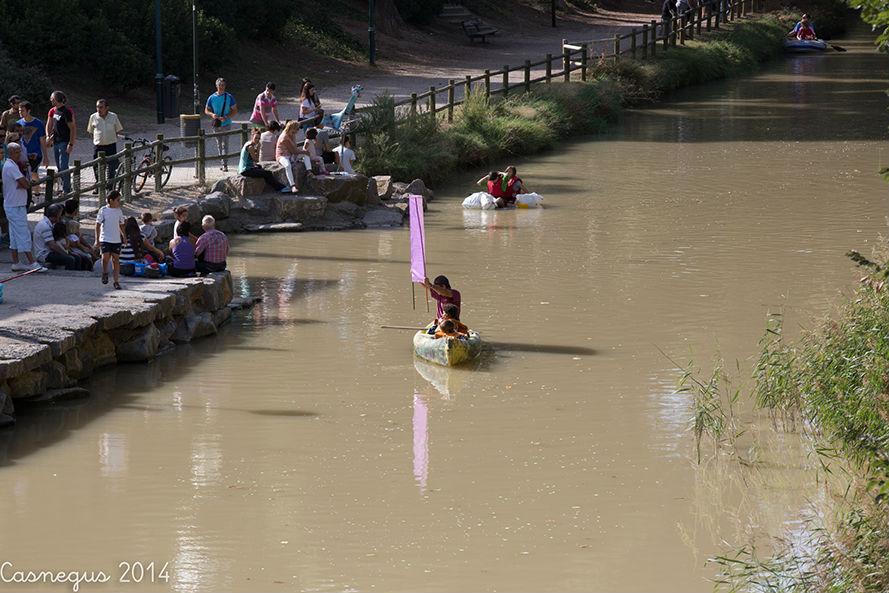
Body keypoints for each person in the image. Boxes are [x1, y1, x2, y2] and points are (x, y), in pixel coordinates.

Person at [2, 143, 45, 272]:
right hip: (15, 205)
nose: (19, 154)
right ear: (10, 153)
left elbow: (24, 183)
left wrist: (24, 183)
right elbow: (25, 184)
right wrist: (25, 183)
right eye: (16, 152)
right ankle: (32, 262)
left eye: (20, 151)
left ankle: (16, 262)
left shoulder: (13, 165)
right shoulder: (11, 166)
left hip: (14, 204)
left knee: (15, 235)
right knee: (23, 234)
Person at [34, 203, 90, 270]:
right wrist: (66, 254)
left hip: (50, 251)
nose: (61, 217)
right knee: (70, 259)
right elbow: (53, 245)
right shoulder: (45, 226)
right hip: (45, 254)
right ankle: (69, 274)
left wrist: (69, 252)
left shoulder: (50, 224)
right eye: (60, 215)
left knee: (78, 257)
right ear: (56, 215)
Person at [87, 99, 124, 189]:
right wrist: (99, 139)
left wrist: (109, 137)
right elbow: (91, 132)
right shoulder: (93, 117)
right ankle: (99, 186)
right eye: (97, 107)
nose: (99, 109)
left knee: (111, 167)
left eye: (101, 107)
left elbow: (118, 130)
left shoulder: (113, 116)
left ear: (107, 108)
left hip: (111, 145)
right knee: (97, 167)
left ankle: (110, 186)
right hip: (98, 146)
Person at [45, 90, 76, 193]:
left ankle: (67, 189)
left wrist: (71, 143)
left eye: (51, 98)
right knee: (59, 166)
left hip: (64, 142)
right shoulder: (53, 110)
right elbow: (50, 125)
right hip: (56, 141)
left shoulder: (66, 111)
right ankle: (63, 186)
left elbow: (72, 128)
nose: (50, 100)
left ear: (55, 99)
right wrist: (49, 136)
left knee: (63, 166)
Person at [94, 190, 126, 289]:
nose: (119, 202)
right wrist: (97, 239)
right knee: (105, 258)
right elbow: (97, 225)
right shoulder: (103, 210)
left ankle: (116, 281)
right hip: (105, 238)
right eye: (118, 200)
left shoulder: (119, 211)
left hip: (116, 239)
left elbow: (121, 225)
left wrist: (124, 237)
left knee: (116, 260)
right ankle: (105, 272)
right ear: (111, 200)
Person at [204, 78, 238, 171]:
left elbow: (235, 110)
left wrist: (227, 117)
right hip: (216, 124)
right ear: (216, 86)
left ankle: (224, 164)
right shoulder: (212, 97)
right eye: (219, 85)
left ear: (225, 86)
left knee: (225, 144)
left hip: (226, 123)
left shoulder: (229, 97)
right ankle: (222, 162)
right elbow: (206, 110)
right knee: (219, 144)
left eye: (222, 85)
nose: (221, 87)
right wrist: (212, 115)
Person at [16, 101, 47, 181]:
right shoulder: (18, 124)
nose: (20, 112)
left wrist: (45, 157)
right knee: (25, 175)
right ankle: (34, 189)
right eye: (19, 111)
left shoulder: (38, 123)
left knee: (33, 173)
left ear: (28, 111)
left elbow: (42, 140)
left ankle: (36, 189)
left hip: (36, 154)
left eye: (22, 111)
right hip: (23, 154)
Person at [276, 121, 308, 193]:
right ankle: (292, 185)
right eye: (297, 129)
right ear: (293, 129)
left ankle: (309, 171)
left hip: (291, 155)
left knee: (306, 153)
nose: (298, 130)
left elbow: (295, 148)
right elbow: (293, 150)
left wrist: (304, 152)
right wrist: (303, 152)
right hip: (283, 156)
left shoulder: (293, 135)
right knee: (288, 165)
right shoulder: (284, 138)